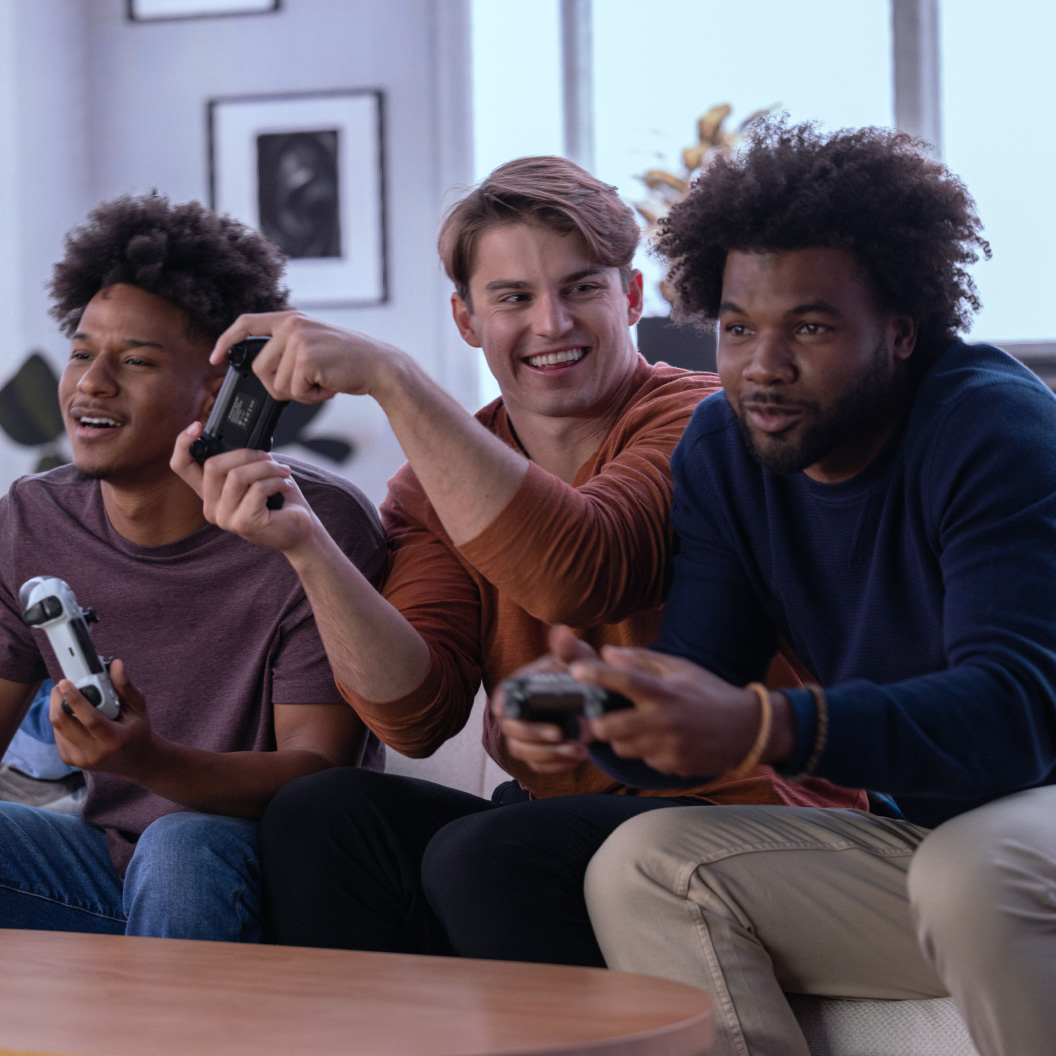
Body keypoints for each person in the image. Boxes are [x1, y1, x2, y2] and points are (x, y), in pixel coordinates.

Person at [170, 156, 862, 962]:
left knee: (496, 851)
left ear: (631, 298)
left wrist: (393, 377)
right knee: (324, 815)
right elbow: (416, 717)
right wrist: (307, 548)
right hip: (560, 816)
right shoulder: (435, 482)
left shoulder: (704, 419)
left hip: (745, 809)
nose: (551, 324)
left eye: (581, 289)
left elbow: (586, 570)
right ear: (468, 319)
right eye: (513, 298)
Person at [531, 119, 1056, 1056]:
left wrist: (771, 726)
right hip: (934, 845)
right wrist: (606, 715)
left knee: (972, 874)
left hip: (1025, 828)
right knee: (639, 865)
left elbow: (1015, 718)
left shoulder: (992, 430)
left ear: (900, 331)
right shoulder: (727, 453)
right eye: (737, 329)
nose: (761, 367)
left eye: (808, 327)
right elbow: (695, 675)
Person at [0, 193, 385, 943]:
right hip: (102, 867)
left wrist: (149, 760)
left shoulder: (309, 522)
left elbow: (317, 773)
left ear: (219, 389)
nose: (91, 384)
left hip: (268, 872)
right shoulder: (31, 520)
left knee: (181, 847)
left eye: (135, 360)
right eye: (82, 352)